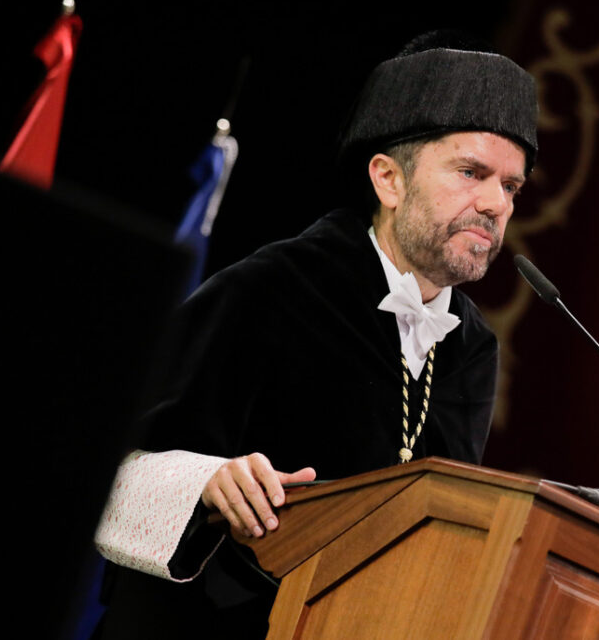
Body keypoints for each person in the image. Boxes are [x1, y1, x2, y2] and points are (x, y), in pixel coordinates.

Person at [92, 31, 538, 638]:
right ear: (388, 180)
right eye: (471, 172)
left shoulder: (473, 348)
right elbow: (106, 467)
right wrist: (205, 481)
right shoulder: (272, 288)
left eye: (510, 186)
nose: (494, 204)